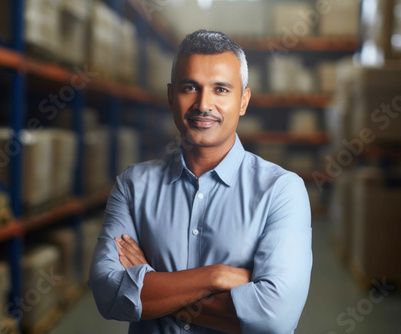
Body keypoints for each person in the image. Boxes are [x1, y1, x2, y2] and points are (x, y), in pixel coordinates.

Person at [88, 29, 312, 334]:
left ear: (244, 100)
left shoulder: (281, 191)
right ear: (171, 96)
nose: (204, 104)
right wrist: (215, 277)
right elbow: (107, 294)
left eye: (221, 89)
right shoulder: (133, 186)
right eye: (190, 87)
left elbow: (274, 318)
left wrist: (151, 285)